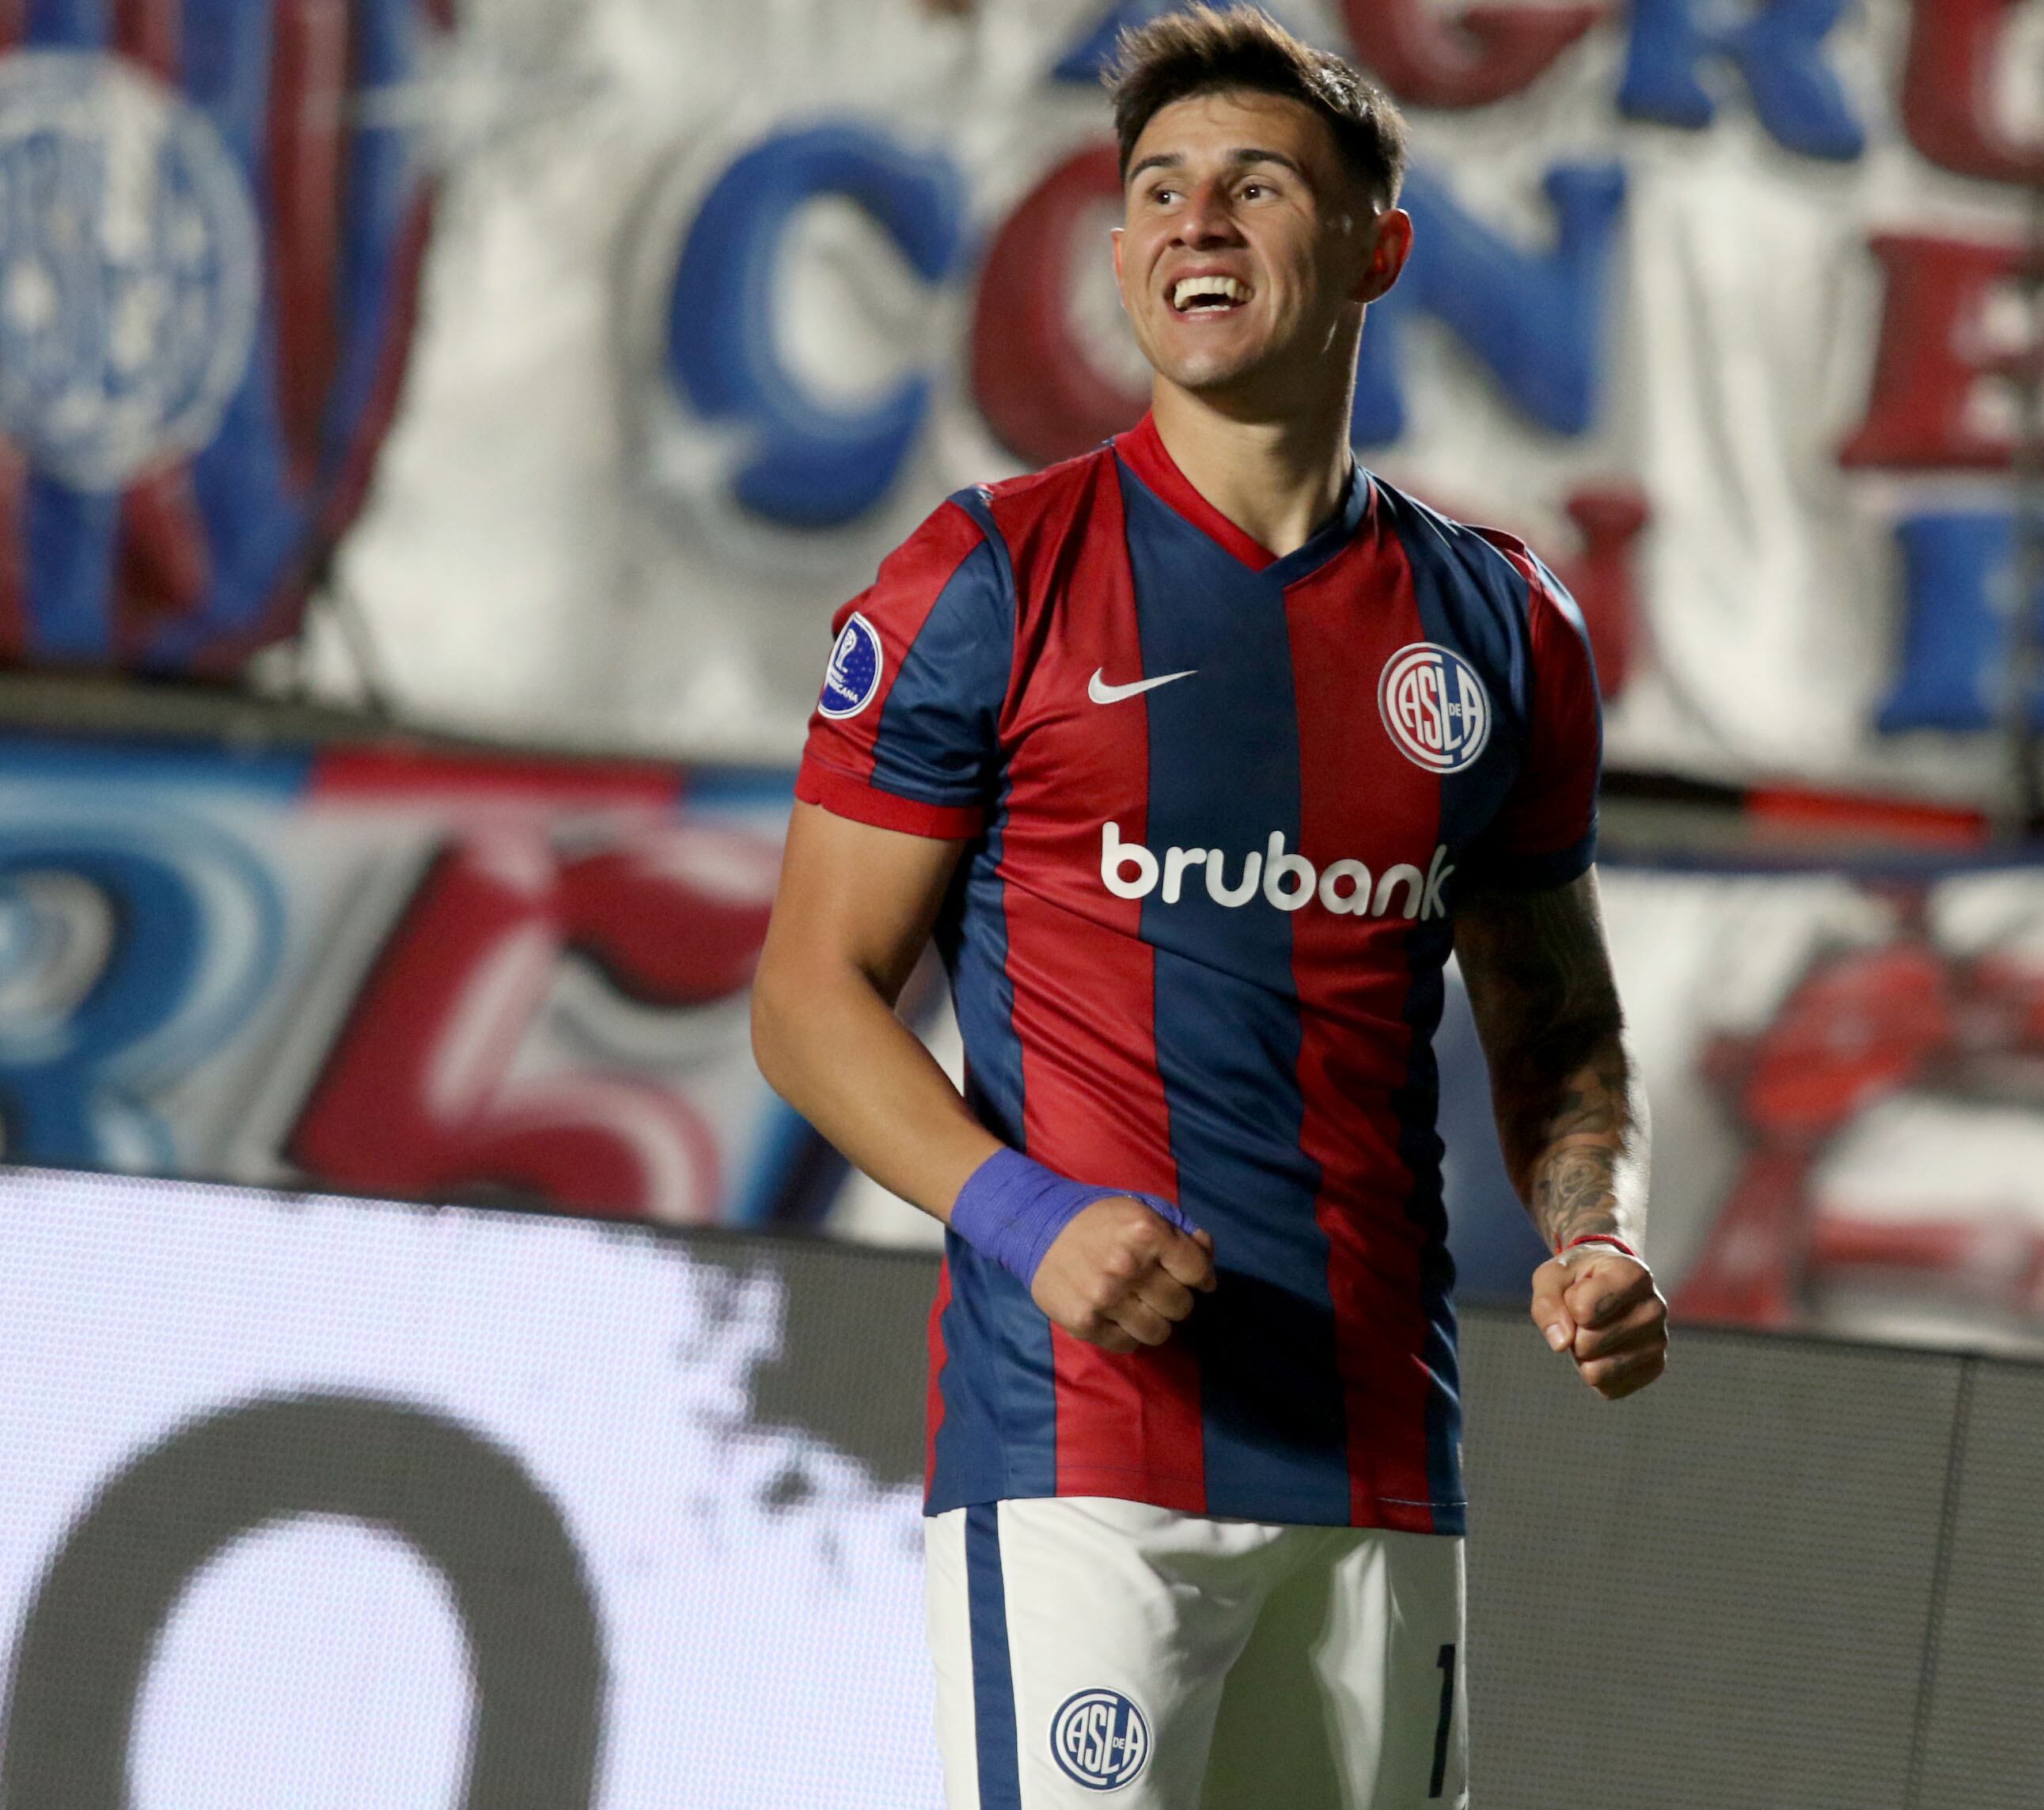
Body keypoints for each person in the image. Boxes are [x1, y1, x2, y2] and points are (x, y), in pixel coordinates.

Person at [749, 9, 1667, 1804]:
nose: (1197, 224)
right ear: (1115, 257)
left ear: (1375, 251)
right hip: (1086, 1451)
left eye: (1257, 187)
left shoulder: (1496, 631)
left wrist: (1601, 1231)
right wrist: (1025, 1214)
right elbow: (807, 994)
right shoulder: (991, 578)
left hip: (1384, 1468)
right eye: (1158, 190)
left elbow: (1557, 1024)